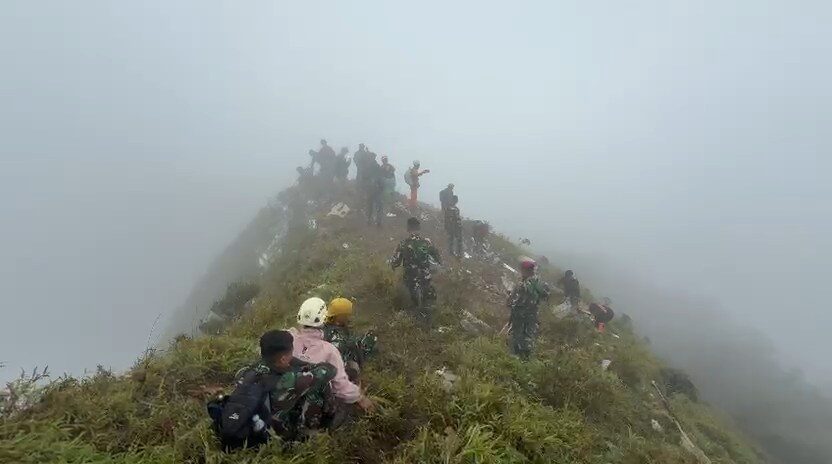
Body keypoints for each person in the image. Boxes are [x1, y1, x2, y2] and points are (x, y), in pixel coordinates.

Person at [211, 330, 336, 449]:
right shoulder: (290, 381)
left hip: (254, 425)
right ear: (282, 359)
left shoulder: (247, 372)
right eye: (290, 353)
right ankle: (322, 428)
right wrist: (309, 366)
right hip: (275, 436)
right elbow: (329, 370)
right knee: (322, 385)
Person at [289, 298, 375, 414]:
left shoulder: (287, 338)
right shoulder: (329, 351)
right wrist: (360, 397)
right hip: (311, 408)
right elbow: (340, 386)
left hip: (285, 399)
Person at [391, 217, 442, 318]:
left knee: (412, 309)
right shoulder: (427, 242)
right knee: (429, 308)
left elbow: (395, 262)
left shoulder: (403, 244)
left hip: (411, 280)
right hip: (425, 279)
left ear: (408, 229)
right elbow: (438, 259)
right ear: (419, 228)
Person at [323, 298, 378, 383]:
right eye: (347, 314)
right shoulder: (337, 338)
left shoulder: (325, 329)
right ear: (340, 316)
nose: (349, 317)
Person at [507, 258, 551, 360]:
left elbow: (513, 301)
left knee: (517, 338)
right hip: (533, 316)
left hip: (519, 316)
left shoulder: (522, 285)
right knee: (529, 337)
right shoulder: (540, 284)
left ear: (525, 270)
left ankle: (515, 361)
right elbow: (545, 297)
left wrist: (510, 300)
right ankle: (527, 360)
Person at [365, 153, 384, 227]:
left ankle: (369, 219)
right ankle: (378, 221)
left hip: (370, 189)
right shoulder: (377, 166)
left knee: (369, 204)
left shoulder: (367, 167)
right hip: (377, 189)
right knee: (378, 205)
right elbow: (380, 177)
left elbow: (364, 178)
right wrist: (382, 187)